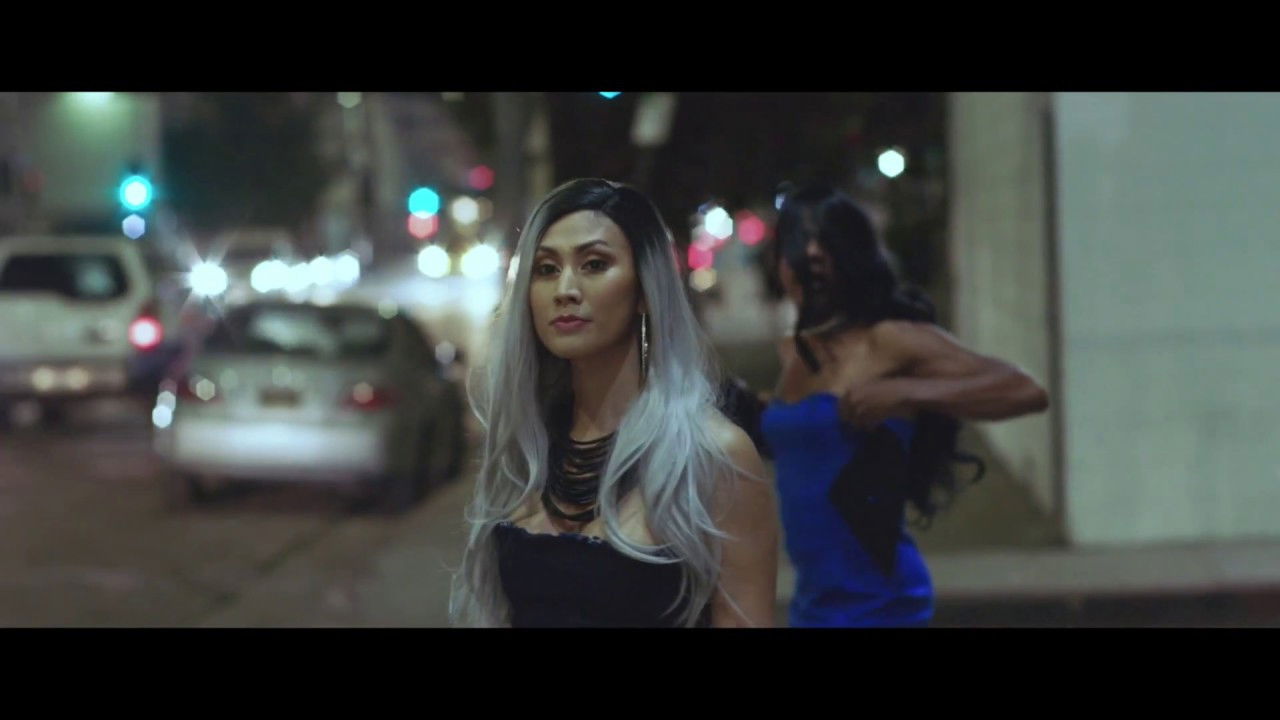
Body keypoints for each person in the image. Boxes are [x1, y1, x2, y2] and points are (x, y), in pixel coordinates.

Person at [450, 178, 778, 628]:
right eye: (546, 269)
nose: (565, 289)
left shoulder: (713, 456)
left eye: (594, 264)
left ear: (644, 289)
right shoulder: (525, 450)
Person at [760, 182, 1049, 627]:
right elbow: (808, 443)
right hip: (814, 602)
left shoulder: (886, 339)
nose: (809, 259)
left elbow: (1024, 389)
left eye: (825, 250)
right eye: (796, 248)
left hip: (880, 603)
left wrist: (908, 392)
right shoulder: (795, 352)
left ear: (853, 257)